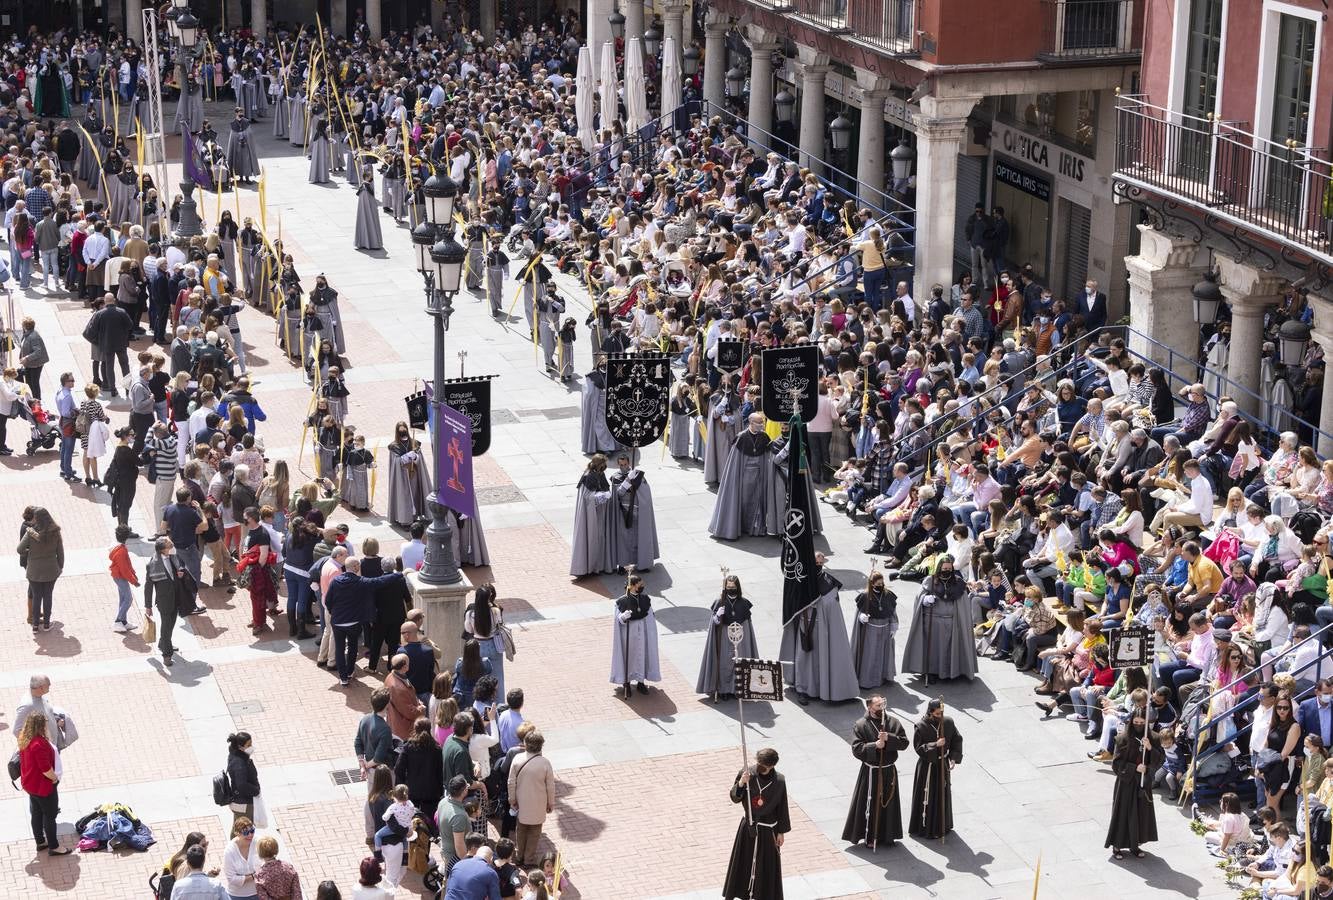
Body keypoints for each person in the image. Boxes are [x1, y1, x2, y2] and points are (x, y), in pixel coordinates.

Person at [779, 552, 860, 705]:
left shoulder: (829, 583)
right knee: (804, 658)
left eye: (820, 562)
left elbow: (832, 607)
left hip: (822, 627)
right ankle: (803, 689)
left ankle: (824, 688)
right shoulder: (801, 579)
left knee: (823, 658)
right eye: (815, 561)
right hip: (804, 625)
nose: (818, 564)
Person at [841, 695, 910, 850]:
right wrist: (875, 746)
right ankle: (870, 836)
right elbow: (857, 749)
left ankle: (888, 835)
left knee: (888, 802)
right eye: (878, 706)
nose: (882, 708)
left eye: (883, 705)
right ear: (870, 707)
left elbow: (904, 742)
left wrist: (890, 738)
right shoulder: (861, 725)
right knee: (870, 804)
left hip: (888, 770)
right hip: (871, 772)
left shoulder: (892, 722)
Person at [722, 748, 790, 900]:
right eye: (758, 762)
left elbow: (782, 806)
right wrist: (740, 783)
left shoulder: (779, 781)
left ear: (771, 766)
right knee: (744, 862)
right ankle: (742, 893)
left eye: (762, 765)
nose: (758, 766)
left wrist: (781, 832)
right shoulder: (747, 774)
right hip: (749, 827)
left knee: (765, 866)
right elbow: (735, 798)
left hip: (768, 830)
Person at [900, 555, 977, 684]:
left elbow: (963, 604)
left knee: (950, 649)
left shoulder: (958, 583)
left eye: (949, 568)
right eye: (944, 568)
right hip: (932, 622)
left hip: (952, 622)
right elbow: (919, 597)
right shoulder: (930, 581)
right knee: (932, 650)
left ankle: (950, 672)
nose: (946, 570)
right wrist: (925, 600)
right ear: (939, 567)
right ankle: (931, 672)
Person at [1104, 705, 1163, 859]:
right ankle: (1117, 845)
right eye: (1135, 722)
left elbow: (1160, 759)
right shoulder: (1122, 738)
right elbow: (1116, 764)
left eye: (1141, 722)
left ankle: (1134, 845)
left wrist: (1150, 749)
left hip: (1143, 783)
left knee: (1140, 814)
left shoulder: (1154, 738)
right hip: (1126, 782)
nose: (1138, 725)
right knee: (1123, 813)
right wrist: (1135, 767)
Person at [709, 413, 775, 539]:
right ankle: (739, 526)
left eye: (762, 422)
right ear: (751, 423)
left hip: (759, 476)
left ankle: (755, 528)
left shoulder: (764, 437)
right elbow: (734, 462)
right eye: (759, 423)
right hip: (743, 476)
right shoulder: (741, 438)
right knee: (742, 501)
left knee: (757, 502)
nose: (761, 425)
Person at [908, 699, 964, 839]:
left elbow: (957, 739)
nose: (941, 716)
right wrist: (935, 744)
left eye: (942, 713)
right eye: (938, 714)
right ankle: (925, 827)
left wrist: (953, 758)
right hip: (928, 766)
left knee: (942, 794)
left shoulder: (948, 722)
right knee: (928, 796)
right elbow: (919, 748)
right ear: (930, 712)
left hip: (942, 764)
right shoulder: (921, 726)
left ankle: (942, 826)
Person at [697, 574, 758, 701]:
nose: (731, 589)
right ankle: (723, 690)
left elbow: (747, 624)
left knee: (739, 662)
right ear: (725, 587)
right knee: (724, 663)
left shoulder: (744, 603)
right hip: (724, 637)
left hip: (740, 638)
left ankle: (737, 689)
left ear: (738, 587)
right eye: (729, 586)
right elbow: (714, 622)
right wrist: (718, 616)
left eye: (733, 586)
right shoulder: (720, 602)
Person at [17, 711, 66, 856]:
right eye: (45, 723)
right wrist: (54, 779)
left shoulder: (25, 739)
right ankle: (54, 846)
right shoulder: (38, 744)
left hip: (30, 784)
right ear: (40, 725)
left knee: (36, 813)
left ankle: (40, 842)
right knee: (50, 815)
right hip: (42, 786)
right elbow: (45, 768)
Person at [508, 730, 556, 868]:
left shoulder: (517, 759)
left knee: (521, 829)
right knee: (535, 832)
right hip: (539, 803)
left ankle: (519, 856)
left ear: (525, 743)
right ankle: (529, 859)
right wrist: (551, 802)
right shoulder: (545, 763)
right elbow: (550, 786)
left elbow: (511, 782)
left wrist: (512, 799)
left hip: (521, 802)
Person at [610, 574, 662, 698]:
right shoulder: (622, 601)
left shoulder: (645, 599)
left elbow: (649, 617)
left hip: (642, 632)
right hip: (627, 634)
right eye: (639, 584)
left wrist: (650, 633)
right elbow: (618, 619)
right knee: (628, 656)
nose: (642, 586)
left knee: (642, 655)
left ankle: (640, 682)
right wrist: (623, 617)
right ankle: (626, 682)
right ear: (632, 586)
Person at [608, 451, 659, 571]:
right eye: (621, 465)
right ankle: (622, 565)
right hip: (623, 513)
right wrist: (627, 482)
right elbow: (618, 493)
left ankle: (642, 564)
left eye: (625, 464)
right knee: (623, 540)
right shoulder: (616, 477)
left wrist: (636, 483)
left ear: (629, 463)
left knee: (639, 538)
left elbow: (645, 493)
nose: (623, 467)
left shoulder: (637, 475)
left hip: (637, 513)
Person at [143, 536, 191, 666]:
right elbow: (148, 586)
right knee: (165, 626)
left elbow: (180, 567)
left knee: (171, 624)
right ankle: (167, 654)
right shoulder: (152, 565)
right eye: (169, 544)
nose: (171, 545)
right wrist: (148, 606)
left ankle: (163, 643)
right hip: (164, 601)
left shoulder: (173, 557)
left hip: (176, 597)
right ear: (163, 549)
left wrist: (180, 572)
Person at [18, 507, 63, 634]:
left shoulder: (30, 532)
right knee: (48, 595)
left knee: (37, 596)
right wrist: (60, 567)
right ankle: (47, 624)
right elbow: (60, 552)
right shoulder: (56, 532)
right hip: (51, 569)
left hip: (34, 570)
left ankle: (35, 626)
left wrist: (30, 552)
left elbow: (20, 550)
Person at [852, 571, 899, 689]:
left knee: (884, 654)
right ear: (872, 583)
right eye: (878, 583)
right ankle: (867, 680)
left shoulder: (888, 595)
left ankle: (883, 677)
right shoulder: (865, 596)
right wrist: (861, 617)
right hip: (871, 630)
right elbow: (860, 612)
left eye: (882, 582)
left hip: (885, 628)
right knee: (870, 655)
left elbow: (892, 612)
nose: (881, 585)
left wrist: (893, 626)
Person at [570, 454, 612, 577]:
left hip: (599, 510)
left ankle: (597, 566)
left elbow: (604, 487)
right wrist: (601, 496)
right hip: (590, 513)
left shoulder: (600, 473)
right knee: (591, 537)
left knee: (599, 537)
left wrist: (606, 494)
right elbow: (587, 497)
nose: (605, 466)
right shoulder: (589, 476)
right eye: (603, 463)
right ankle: (588, 567)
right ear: (598, 464)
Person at [355, 688, 395, 774]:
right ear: (387, 705)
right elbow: (378, 758)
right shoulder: (385, 729)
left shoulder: (365, 719)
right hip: (382, 772)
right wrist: (366, 766)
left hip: (369, 768)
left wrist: (362, 765)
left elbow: (358, 743)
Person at [225, 732, 262, 826]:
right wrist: (256, 790)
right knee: (245, 830)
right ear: (240, 747)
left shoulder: (236, 755)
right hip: (243, 804)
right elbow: (242, 785)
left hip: (239, 802)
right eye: (248, 745)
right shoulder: (239, 763)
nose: (251, 746)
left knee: (237, 828)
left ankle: (233, 841)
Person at [222, 817, 261, 899]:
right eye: (246, 832)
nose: (250, 835)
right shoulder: (229, 851)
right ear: (237, 833)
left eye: (252, 831)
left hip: (259, 892)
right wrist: (254, 876)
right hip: (237, 896)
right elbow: (232, 879)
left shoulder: (258, 842)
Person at [254, 836, 302, 900]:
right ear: (276, 850)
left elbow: (263, 898)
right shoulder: (288, 867)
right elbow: (297, 892)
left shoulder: (260, 875)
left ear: (260, 853)